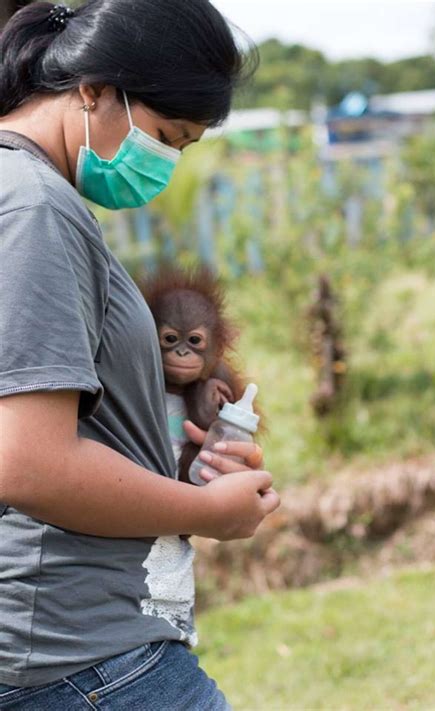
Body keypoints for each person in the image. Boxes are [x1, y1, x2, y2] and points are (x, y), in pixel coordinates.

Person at [0, 1, 280, 709]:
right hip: (79, 653)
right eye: (166, 136)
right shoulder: (34, 207)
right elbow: (31, 462)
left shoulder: (34, 196)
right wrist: (206, 509)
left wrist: (185, 465)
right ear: (93, 89)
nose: (166, 165)